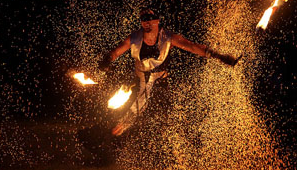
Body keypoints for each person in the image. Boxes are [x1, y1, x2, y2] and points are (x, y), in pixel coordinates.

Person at [99, 8, 241, 136]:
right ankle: (115, 131)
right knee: (132, 109)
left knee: (166, 118)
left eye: (150, 19)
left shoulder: (168, 37)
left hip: (161, 82)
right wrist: (107, 60)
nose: (147, 22)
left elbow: (192, 47)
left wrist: (220, 57)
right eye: (143, 20)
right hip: (141, 80)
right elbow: (115, 52)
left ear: (157, 20)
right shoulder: (134, 38)